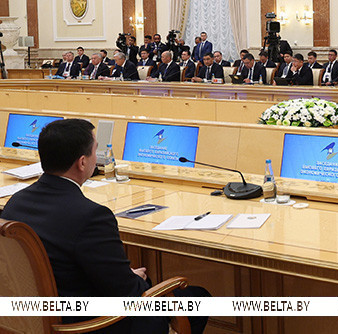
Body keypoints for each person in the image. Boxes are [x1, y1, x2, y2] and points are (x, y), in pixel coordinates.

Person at [0, 119, 209, 334]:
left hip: (29, 320)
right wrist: (135, 279)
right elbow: (129, 294)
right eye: (95, 151)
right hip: (87, 325)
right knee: (198, 299)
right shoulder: (92, 216)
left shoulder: (16, 202)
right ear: (82, 162)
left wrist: (123, 275)